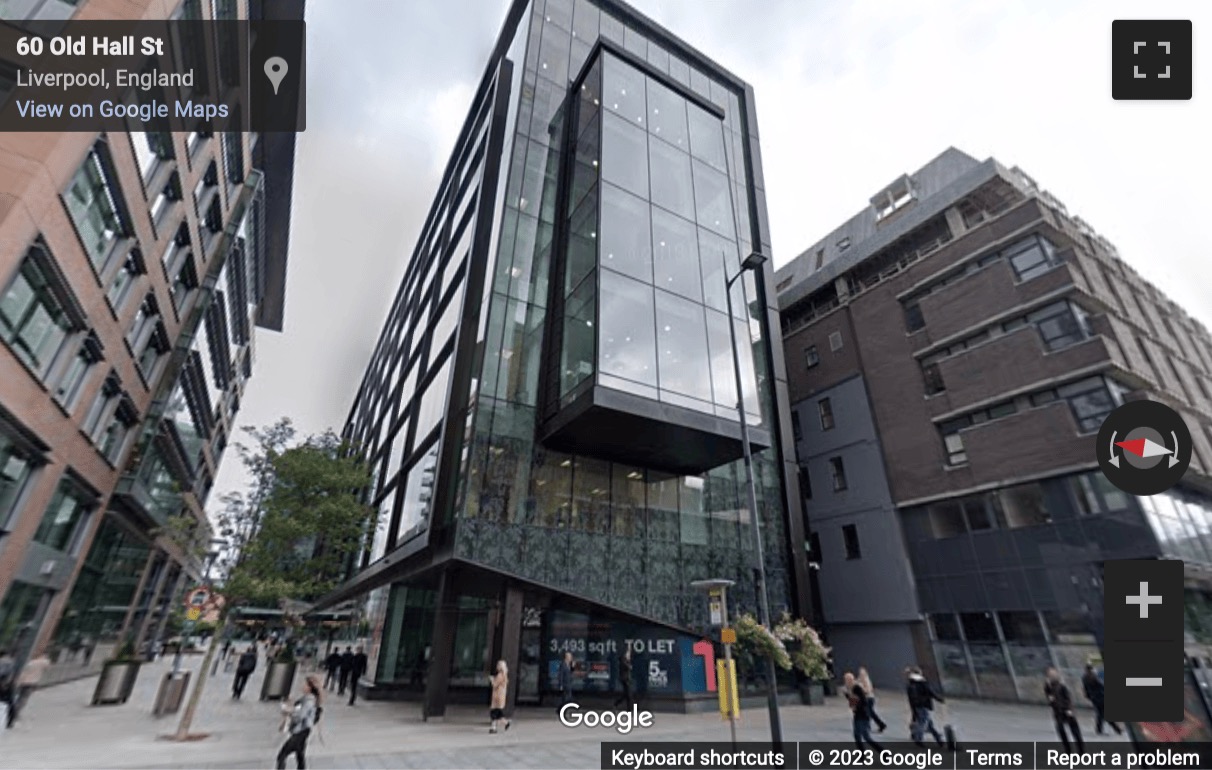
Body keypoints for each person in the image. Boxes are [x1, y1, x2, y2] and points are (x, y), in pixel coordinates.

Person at [276, 674, 322, 770]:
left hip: (300, 731)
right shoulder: (306, 699)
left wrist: (289, 712)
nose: (302, 686)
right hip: (304, 731)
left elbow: (300, 716)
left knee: (282, 755)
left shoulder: (309, 701)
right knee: (300, 755)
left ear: (309, 688)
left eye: (305, 684)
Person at [1045, 667, 1084, 752]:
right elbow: (1049, 698)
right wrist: (1050, 699)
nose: (1052, 676)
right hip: (1058, 712)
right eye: (1050, 675)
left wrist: (1070, 709)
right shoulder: (1048, 687)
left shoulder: (1062, 686)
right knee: (1061, 731)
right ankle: (1068, 750)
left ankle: (1081, 750)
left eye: (1053, 674)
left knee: (1075, 732)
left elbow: (1068, 698)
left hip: (1067, 710)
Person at [905, 666, 945, 747]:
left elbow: (911, 699)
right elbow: (930, 692)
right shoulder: (922, 682)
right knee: (923, 723)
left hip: (917, 706)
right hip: (924, 705)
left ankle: (938, 739)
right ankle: (918, 738)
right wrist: (939, 699)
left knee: (929, 724)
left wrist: (914, 710)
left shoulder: (911, 684)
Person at [844, 672, 882, 749]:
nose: (845, 681)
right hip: (857, 715)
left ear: (851, 680)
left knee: (866, 737)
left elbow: (863, 700)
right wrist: (847, 695)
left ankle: (884, 753)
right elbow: (852, 700)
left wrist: (856, 705)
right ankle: (861, 755)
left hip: (863, 715)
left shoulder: (857, 688)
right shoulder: (851, 689)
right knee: (857, 736)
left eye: (847, 680)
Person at [10, 653, 50, 727]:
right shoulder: (43, 662)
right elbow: (47, 667)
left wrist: (18, 682)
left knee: (18, 697)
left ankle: (12, 710)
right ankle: (15, 714)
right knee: (23, 699)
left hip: (23, 682)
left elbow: (23, 673)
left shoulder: (30, 663)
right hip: (32, 683)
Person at [1081, 663, 1120, 735]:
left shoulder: (1084, 677)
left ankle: (1114, 729)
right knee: (1101, 714)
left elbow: (1086, 690)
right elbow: (1101, 686)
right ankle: (1114, 729)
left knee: (1101, 714)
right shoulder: (1093, 677)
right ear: (1091, 669)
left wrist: (1090, 697)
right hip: (1100, 697)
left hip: (1094, 698)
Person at [857, 666, 887, 733]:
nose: (861, 674)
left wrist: (861, 689)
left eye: (862, 673)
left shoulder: (866, 680)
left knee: (868, 713)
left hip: (869, 698)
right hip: (864, 699)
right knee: (870, 713)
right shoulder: (859, 680)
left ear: (865, 673)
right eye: (860, 673)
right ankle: (880, 725)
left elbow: (869, 690)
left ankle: (870, 726)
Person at [489, 659, 512, 733]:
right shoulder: (504, 675)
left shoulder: (500, 675)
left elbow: (495, 685)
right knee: (498, 713)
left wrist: (492, 679)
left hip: (497, 696)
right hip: (500, 696)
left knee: (494, 713)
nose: (497, 667)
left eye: (498, 665)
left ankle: (494, 728)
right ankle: (505, 723)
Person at [0, 647, 16, 730]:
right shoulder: (10, 661)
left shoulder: (4, 662)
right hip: (7, 685)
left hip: (3, 685)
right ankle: (9, 721)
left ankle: (8, 720)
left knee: (6, 702)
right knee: (9, 703)